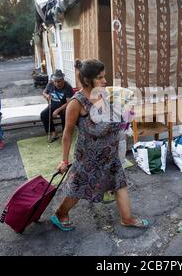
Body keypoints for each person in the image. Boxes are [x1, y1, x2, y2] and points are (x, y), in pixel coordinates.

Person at [51, 59, 149, 231]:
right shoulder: (77, 103)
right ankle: (60, 213)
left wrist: (125, 115)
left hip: (109, 153)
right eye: (100, 78)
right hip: (88, 158)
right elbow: (67, 133)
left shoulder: (102, 94)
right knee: (78, 189)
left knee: (119, 183)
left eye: (104, 77)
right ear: (88, 80)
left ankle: (127, 218)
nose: (105, 81)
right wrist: (64, 160)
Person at [40, 69, 74, 143]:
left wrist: (57, 110)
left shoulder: (68, 87)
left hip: (64, 107)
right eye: (55, 81)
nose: (56, 83)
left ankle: (66, 133)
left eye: (59, 81)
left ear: (63, 80)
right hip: (52, 105)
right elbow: (44, 92)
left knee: (65, 114)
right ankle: (53, 133)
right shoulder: (50, 84)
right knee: (44, 114)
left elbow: (69, 102)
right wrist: (47, 96)